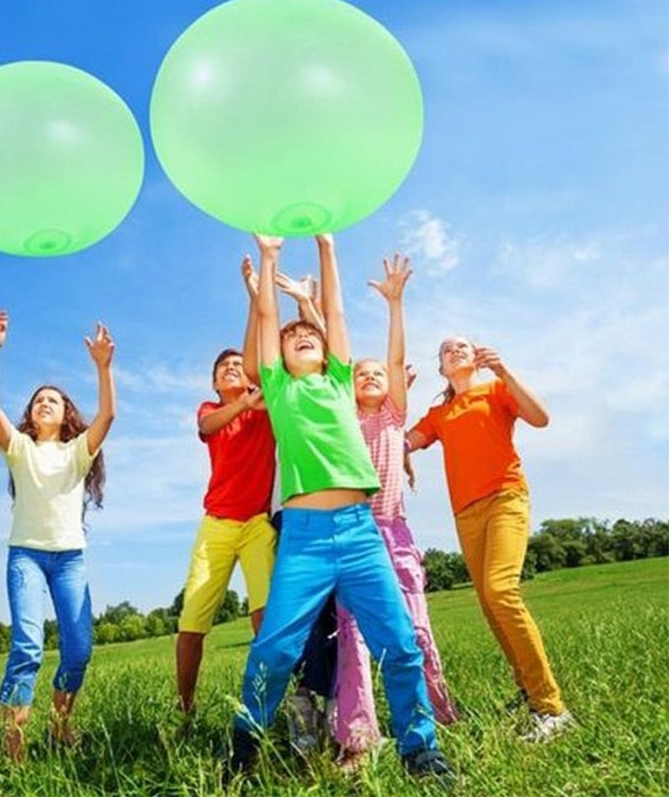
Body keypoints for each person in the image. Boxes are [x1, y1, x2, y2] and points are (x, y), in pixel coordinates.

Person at [227, 234, 453, 783]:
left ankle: (420, 750)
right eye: (293, 337)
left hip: (359, 533)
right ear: (277, 358)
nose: (303, 336)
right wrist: (271, 258)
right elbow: (265, 318)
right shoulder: (278, 389)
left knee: (399, 644)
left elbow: (335, 310)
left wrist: (327, 245)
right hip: (303, 536)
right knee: (275, 651)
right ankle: (243, 750)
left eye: (310, 335)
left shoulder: (339, 379)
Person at [407, 336, 574, 743]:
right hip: (466, 513)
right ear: (442, 369)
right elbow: (404, 440)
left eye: (462, 345)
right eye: (446, 349)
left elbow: (541, 418)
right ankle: (529, 691)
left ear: (477, 358)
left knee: (501, 591)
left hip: (505, 498)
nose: (454, 350)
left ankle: (552, 707)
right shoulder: (441, 412)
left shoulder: (497, 389)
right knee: (488, 603)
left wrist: (505, 370)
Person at [329, 254, 460, 770]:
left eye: (377, 373)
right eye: (360, 374)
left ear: (391, 384)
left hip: (395, 533)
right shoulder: (341, 418)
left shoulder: (392, 414)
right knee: (353, 638)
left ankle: (439, 714)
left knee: (416, 629)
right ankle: (358, 737)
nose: (369, 377)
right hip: (354, 536)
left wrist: (395, 304)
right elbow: (334, 355)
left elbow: (395, 353)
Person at [0, 310, 115, 762]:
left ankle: (59, 725)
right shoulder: (19, 449)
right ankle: (13, 743)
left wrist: (103, 367)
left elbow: (108, 415)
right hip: (27, 559)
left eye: (53, 400)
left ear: (65, 413)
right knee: (28, 645)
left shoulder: (77, 452)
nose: (45, 403)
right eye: (39, 399)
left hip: (70, 559)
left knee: (78, 650)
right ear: (31, 415)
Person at [175, 262, 277, 715]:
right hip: (217, 525)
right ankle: (186, 707)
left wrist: (255, 296)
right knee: (192, 622)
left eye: (239, 365)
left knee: (265, 617)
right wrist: (241, 404)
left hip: (257, 524)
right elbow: (207, 425)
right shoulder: (212, 410)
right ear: (215, 384)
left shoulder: (264, 407)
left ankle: (263, 705)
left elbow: (255, 347)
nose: (234, 368)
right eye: (224, 368)